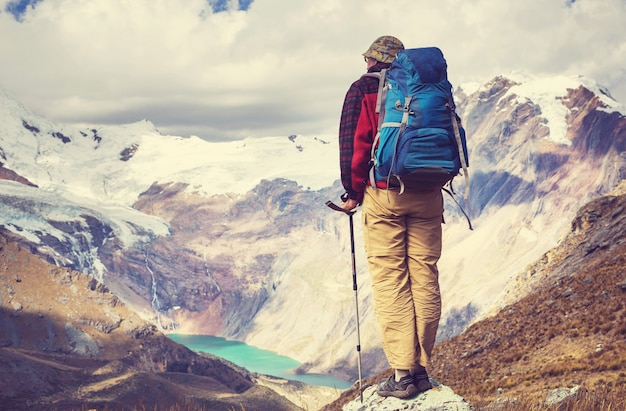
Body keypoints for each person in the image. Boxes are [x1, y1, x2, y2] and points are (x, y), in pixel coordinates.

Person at [338, 35, 444, 399]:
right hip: (428, 194)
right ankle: (422, 369)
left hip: (385, 195)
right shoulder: (429, 88)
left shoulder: (363, 89)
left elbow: (354, 145)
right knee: (425, 275)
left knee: (391, 281)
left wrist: (353, 194)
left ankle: (402, 375)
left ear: (371, 59)